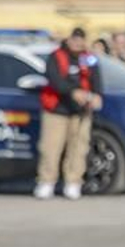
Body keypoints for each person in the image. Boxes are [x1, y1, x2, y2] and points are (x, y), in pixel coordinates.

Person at [35, 27, 103, 200]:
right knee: (51, 148)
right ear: (68, 39)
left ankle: (73, 182)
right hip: (57, 109)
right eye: (75, 39)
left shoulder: (89, 57)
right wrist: (73, 92)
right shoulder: (55, 56)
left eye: (81, 39)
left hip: (80, 111)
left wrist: (97, 95)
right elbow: (54, 79)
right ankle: (46, 181)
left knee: (79, 148)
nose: (77, 43)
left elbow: (97, 77)